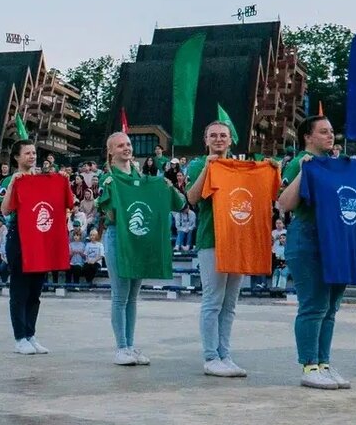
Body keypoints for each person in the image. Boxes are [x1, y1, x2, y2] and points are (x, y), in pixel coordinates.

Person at [277, 115, 356, 390]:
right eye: (323, 132)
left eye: (331, 131)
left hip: (338, 241)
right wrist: (304, 172)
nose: (330, 136)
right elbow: (284, 203)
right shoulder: (300, 162)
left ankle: (323, 363)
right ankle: (309, 365)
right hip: (308, 240)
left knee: (331, 307)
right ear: (307, 137)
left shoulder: (340, 165)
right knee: (314, 305)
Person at [99, 132, 184, 367]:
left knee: (133, 297)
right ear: (111, 151)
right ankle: (121, 347)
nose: (126, 148)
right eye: (120, 145)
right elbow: (110, 216)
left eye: (128, 144)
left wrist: (166, 186)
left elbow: (180, 203)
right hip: (118, 237)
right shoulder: (109, 179)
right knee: (120, 295)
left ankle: (130, 345)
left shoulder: (145, 178)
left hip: (139, 239)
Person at [185, 122, 248, 379]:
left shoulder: (240, 167)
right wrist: (208, 168)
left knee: (230, 303)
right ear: (206, 140)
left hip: (237, 239)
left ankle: (225, 354)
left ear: (231, 140)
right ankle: (211, 357)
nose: (219, 139)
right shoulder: (198, 165)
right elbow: (192, 198)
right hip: (211, 239)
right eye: (213, 135)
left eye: (223, 135)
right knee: (213, 300)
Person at [0, 139, 54, 355]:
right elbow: (5, 210)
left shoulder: (41, 179)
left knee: (35, 290)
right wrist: (13, 183)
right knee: (20, 289)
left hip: (39, 236)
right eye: (27, 153)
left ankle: (31, 334)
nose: (32, 156)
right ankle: (20, 337)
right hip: (19, 235)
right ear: (16, 157)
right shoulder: (11, 180)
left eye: (34, 153)